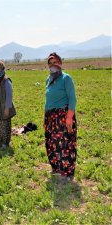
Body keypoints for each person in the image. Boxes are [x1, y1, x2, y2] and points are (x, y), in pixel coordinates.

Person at [44, 52, 77, 181]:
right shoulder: (48, 80)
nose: (53, 65)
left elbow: (72, 99)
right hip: (50, 116)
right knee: (52, 143)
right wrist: (45, 118)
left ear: (60, 63)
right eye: (50, 63)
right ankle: (56, 168)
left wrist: (69, 117)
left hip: (63, 115)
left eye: (55, 62)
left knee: (65, 143)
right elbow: (47, 101)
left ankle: (67, 173)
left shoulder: (66, 78)